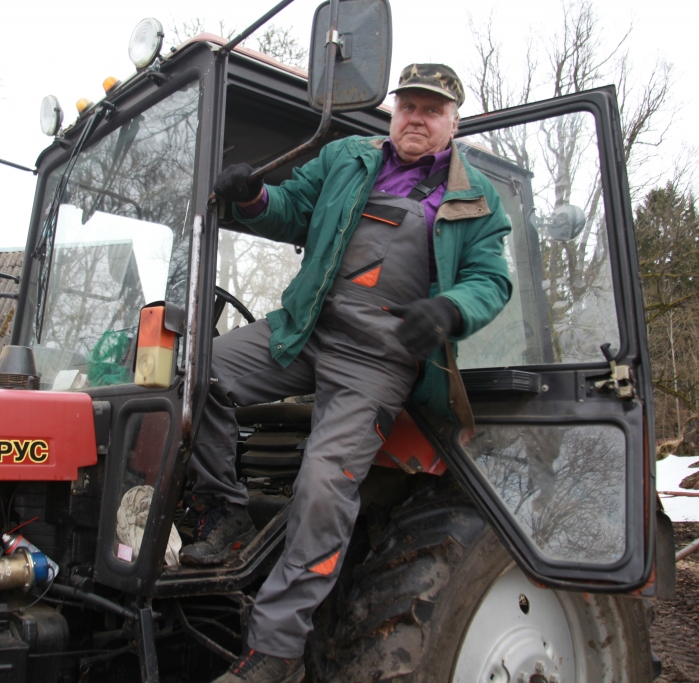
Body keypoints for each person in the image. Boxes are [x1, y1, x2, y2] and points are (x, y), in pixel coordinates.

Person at [184, 64, 513, 683]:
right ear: (393, 112)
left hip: (379, 361)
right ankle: (223, 514)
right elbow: (291, 209)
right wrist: (253, 198)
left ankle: (278, 650)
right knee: (200, 370)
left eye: (432, 109)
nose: (417, 117)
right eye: (408, 105)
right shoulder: (347, 158)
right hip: (307, 327)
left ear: (453, 121)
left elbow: (491, 280)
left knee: (321, 488)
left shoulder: (475, 196)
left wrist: (449, 308)